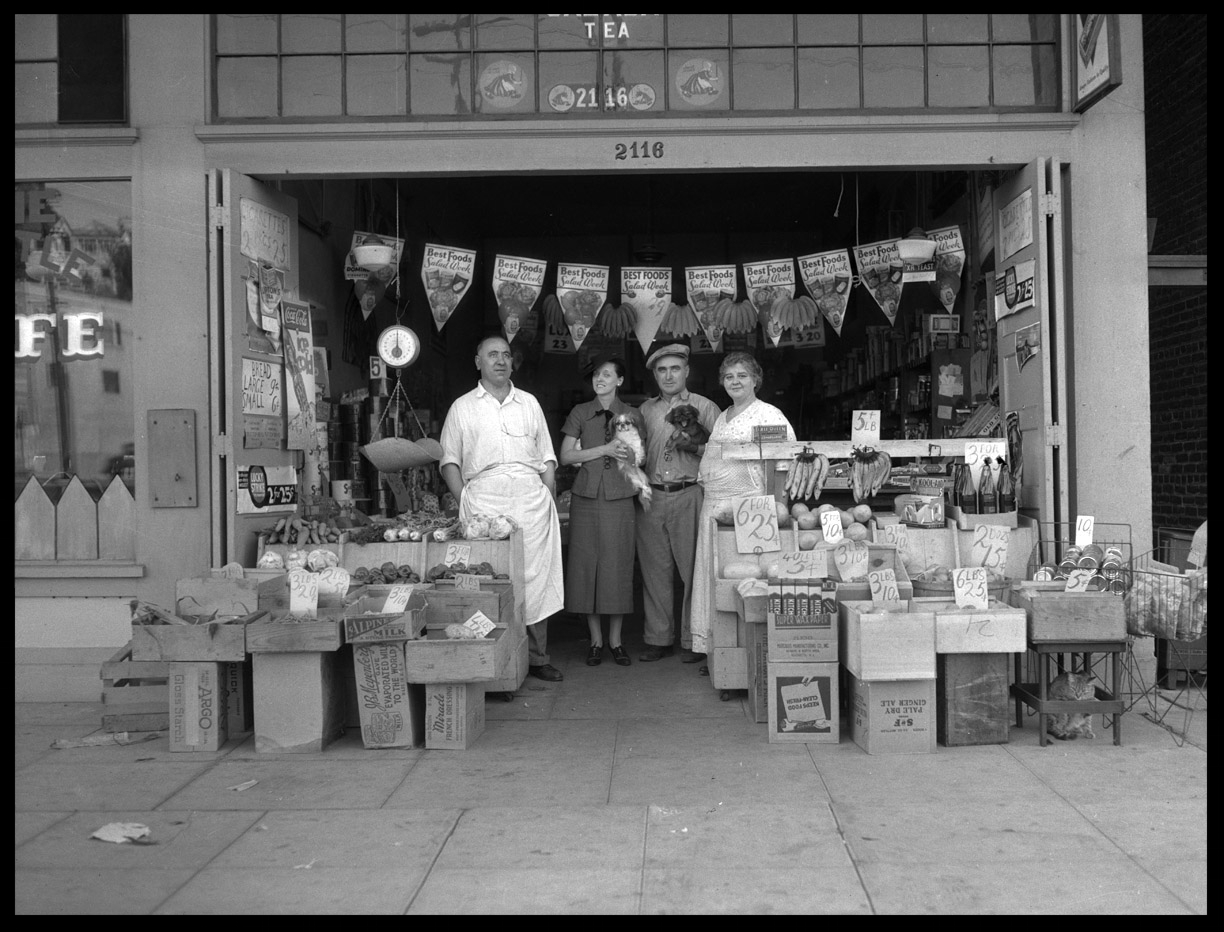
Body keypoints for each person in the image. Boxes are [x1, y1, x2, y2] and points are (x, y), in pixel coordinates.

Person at [439, 335, 566, 682]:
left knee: (536, 576)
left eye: (506, 355)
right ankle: (494, 659)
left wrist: (547, 494)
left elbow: (547, 456)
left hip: (530, 498)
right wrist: (465, 498)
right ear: (477, 361)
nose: (500, 360)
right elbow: (449, 460)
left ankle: (538, 658)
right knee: (491, 577)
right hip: (484, 501)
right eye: (492, 354)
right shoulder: (462, 407)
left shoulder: (529, 403)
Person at [690, 351, 796, 669]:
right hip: (716, 508)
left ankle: (748, 655)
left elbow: (782, 463)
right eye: (729, 376)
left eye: (742, 376)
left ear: (755, 380)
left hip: (750, 509)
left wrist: (779, 505)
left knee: (745, 577)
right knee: (715, 573)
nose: (735, 381)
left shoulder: (769, 415)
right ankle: (717, 648)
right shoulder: (723, 416)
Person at [635, 343, 720, 663]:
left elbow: (721, 453)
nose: (668, 375)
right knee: (654, 572)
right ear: (654, 375)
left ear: (686, 371)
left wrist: (693, 447)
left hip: (690, 494)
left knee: (693, 572)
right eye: (661, 370)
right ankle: (659, 638)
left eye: (674, 369)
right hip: (651, 496)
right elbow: (635, 453)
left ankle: (694, 637)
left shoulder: (706, 406)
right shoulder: (644, 410)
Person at [558, 356, 640, 667]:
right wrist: (604, 450)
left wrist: (627, 450)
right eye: (596, 374)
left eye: (607, 374)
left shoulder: (631, 414)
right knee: (585, 566)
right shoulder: (580, 412)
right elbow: (566, 456)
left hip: (620, 496)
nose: (600, 379)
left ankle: (616, 641)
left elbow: (638, 458)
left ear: (620, 380)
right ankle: (595, 640)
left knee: (616, 566)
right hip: (585, 497)